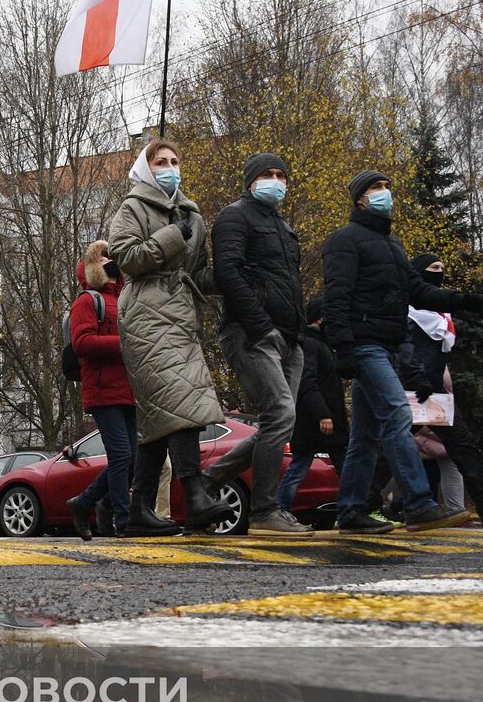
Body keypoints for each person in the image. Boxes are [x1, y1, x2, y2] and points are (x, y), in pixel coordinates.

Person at [322, 170, 482, 532]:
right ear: (360, 197)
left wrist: (467, 301)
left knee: (364, 436)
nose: (385, 194)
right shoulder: (344, 240)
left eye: (387, 187)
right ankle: (419, 504)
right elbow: (336, 296)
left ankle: (349, 511)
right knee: (398, 417)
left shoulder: (392, 244)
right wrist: (343, 347)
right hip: (365, 347)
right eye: (376, 188)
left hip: (390, 347)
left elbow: (419, 291)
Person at [107, 140, 232, 535]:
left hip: (180, 318)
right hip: (145, 316)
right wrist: (172, 236)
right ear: (145, 169)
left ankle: (138, 507)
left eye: (175, 161)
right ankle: (194, 495)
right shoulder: (133, 208)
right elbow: (126, 258)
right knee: (181, 404)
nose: (170, 167)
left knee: (161, 415)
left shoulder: (191, 214)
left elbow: (197, 272)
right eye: (160, 162)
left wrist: (233, 275)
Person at [199, 153, 312, 535]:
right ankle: (265, 511)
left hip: (290, 337)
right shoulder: (235, 216)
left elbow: (288, 282)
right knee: (279, 415)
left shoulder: (282, 224)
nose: (276, 181)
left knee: (279, 423)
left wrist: (299, 333)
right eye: (267, 174)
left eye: (282, 174)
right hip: (252, 333)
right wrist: (261, 326)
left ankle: (209, 481)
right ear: (250, 180)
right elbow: (227, 273)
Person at [398, 252, 483, 506]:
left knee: (464, 448)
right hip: (411, 392)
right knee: (389, 447)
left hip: (435, 395)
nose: (440, 272)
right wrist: (417, 377)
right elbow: (406, 351)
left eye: (442, 267)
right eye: (434, 267)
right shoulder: (406, 314)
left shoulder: (441, 318)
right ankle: (373, 502)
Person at [66, 241, 138, 539]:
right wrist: (124, 343)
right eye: (105, 257)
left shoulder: (123, 298)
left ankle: (84, 503)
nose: (112, 262)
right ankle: (123, 519)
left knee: (131, 458)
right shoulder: (86, 301)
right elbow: (82, 343)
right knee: (121, 456)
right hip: (102, 390)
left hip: (127, 390)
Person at [279, 298, 348, 514]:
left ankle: (281, 508)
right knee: (337, 467)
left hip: (317, 420)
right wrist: (323, 415)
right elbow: (308, 381)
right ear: (320, 319)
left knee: (302, 466)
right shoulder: (312, 344)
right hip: (318, 421)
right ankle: (355, 506)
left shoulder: (319, 344)